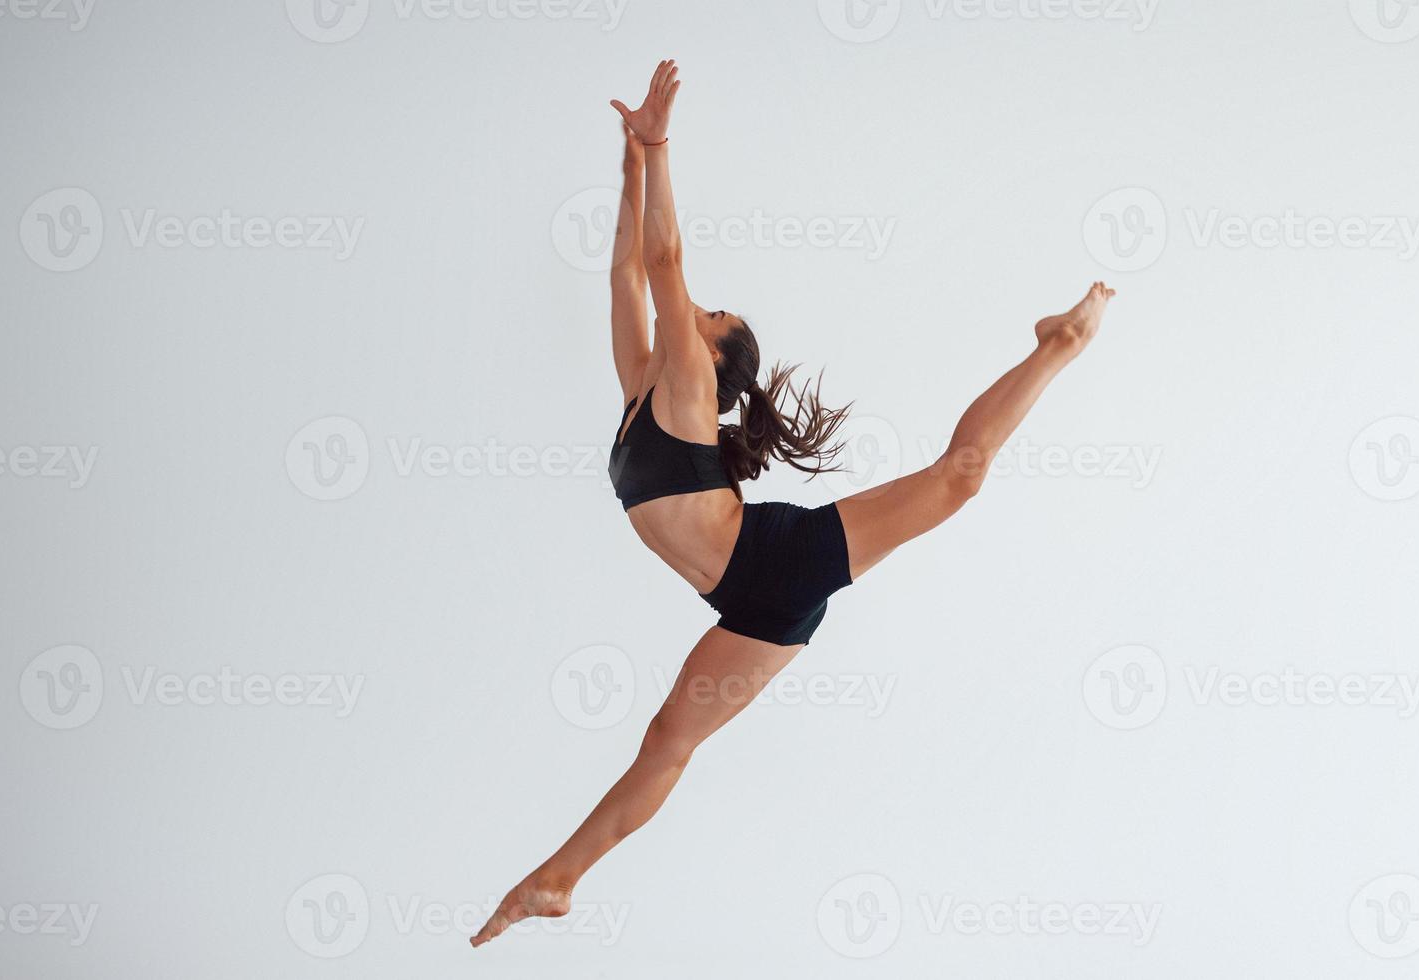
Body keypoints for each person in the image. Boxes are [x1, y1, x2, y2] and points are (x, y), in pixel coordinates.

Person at [472, 60, 1113, 947]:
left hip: (778, 559)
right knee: (668, 739)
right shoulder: (639, 388)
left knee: (954, 478)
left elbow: (661, 259)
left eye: (707, 314)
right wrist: (625, 168)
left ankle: (1059, 344)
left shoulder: (686, 387)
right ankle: (556, 881)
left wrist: (659, 146)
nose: (688, 309)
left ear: (714, 356)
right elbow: (626, 273)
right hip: (746, 607)